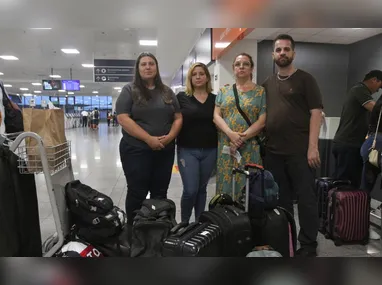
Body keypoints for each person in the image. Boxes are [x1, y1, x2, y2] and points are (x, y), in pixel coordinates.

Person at [262, 34, 323, 257]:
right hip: (273, 153)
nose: (282, 53)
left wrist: (313, 147)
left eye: (286, 49)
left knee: (306, 199)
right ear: (273, 55)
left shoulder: (306, 80)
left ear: (293, 53)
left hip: (301, 152)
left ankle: (308, 245)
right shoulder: (267, 83)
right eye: (278, 50)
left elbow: (316, 113)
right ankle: (285, 240)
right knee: (281, 201)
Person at [116, 52, 183, 223]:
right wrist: (148, 139)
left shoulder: (167, 92)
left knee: (160, 192)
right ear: (138, 69)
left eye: (151, 63)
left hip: (164, 151)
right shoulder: (129, 90)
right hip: (136, 150)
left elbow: (178, 117)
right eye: (143, 64)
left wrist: (169, 138)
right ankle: (134, 231)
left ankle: (157, 230)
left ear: (156, 67)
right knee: (137, 191)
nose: (148, 67)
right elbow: (123, 118)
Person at [213, 52, 266, 200]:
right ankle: (226, 219)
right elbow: (216, 116)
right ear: (233, 68)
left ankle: (248, 221)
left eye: (246, 64)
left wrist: (241, 138)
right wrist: (231, 134)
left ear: (251, 69)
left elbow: (262, 120)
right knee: (226, 186)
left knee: (248, 188)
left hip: (250, 147)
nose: (241, 67)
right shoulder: (224, 91)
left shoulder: (260, 92)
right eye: (237, 64)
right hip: (227, 146)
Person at [176, 62, 218, 223]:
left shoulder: (215, 99)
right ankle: (185, 223)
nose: (198, 77)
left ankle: (199, 223)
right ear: (190, 78)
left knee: (202, 189)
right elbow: (173, 120)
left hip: (210, 149)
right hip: (187, 150)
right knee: (190, 189)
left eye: (202, 74)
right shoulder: (182, 97)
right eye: (195, 74)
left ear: (207, 77)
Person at [333, 70, 382, 188]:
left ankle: (349, 205)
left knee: (351, 181)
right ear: (374, 80)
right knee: (346, 183)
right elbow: (376, 109)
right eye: (379, 87)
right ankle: (342, 206)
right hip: (348, 143)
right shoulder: (359, 89)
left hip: (350, 143)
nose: (377, 90)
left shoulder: (359, 91)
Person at [360, 98, 382, 240]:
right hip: (379, 145)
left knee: (365, 188)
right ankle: (363, 228)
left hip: (372, 144)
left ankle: (360, 227)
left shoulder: (379, 102)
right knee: (365, 189)